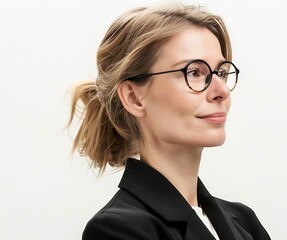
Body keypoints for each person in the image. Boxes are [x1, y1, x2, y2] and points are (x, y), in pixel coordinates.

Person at [68, 4, 271, 240]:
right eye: (194, 72)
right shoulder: (117, 229)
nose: (221, 91)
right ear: (134, 98)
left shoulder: (245, 221)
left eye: (221, 73)